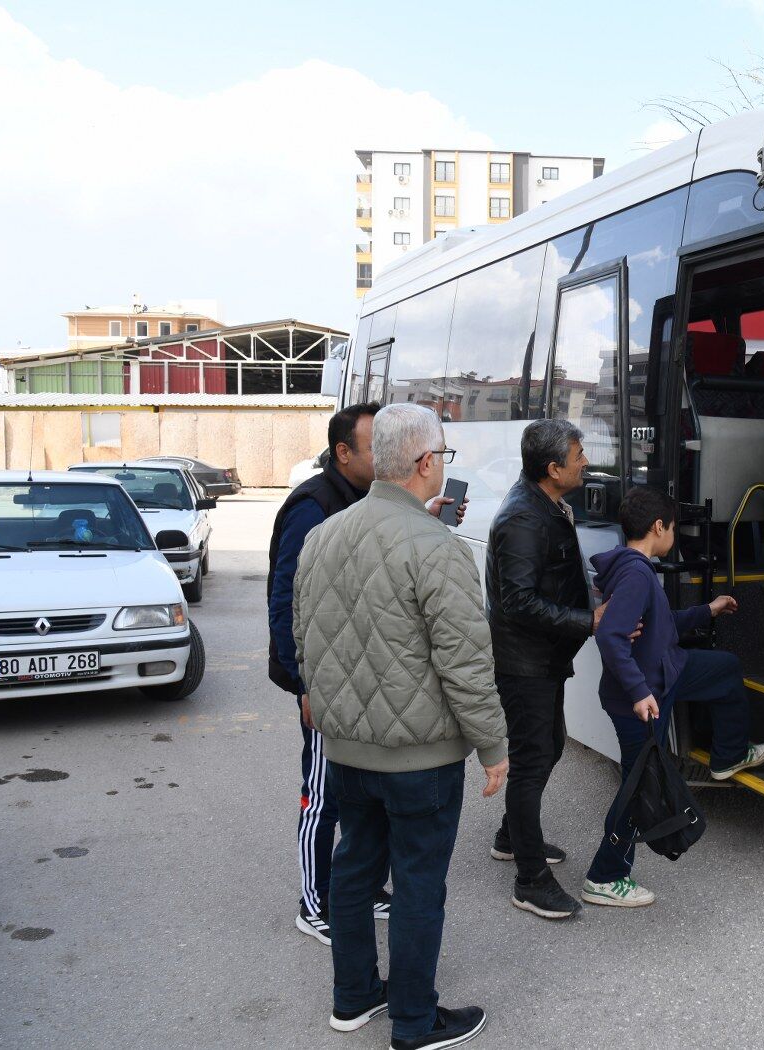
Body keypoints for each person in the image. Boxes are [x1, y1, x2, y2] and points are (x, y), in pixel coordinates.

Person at [293, 402, 506, 1050]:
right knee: (417, 885)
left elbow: (305, 635)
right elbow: (466, 663)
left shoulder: (323, 536)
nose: (443, 465)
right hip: (421, 759)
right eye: (442, 455)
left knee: (354, 869)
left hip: (347, 752)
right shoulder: (438, 549)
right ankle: (415, 1022)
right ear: (423, 463)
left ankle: (353, 996)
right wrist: (493, 747)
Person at [267, 401, 463, 946]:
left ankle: (362, 890)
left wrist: (424, 521)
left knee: (360, 807)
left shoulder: (363, 500)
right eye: (375, 446)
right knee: (322, 796)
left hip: (362, 677)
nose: (386, 455)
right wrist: (304, 684)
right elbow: (288, 601)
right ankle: (314, 903)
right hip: (328, 685)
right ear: (343, 452)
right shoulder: (312, 506)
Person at [582, 485, 764, 909]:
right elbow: (610, 636)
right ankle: (605, 876)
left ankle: (727, 755)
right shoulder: (636, 575)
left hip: (667, 671)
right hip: (643, 694)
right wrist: (638, 693)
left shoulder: (634, 567)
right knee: (638, 787)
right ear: (658, 527)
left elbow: (662, 623)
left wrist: (708, 610)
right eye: (673, 528)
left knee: (724, 670)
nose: (674, 535)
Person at [485, 418, 607, 922]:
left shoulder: (545, 503)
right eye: (578, 456)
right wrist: (587, 621)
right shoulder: (522, 518)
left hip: (543, 657)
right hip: (524, 662)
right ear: (553, 469)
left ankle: (511, 836)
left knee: (549, 746)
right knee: (533, 759)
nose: (585, 462)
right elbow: (518, 602)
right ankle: (530, 880)